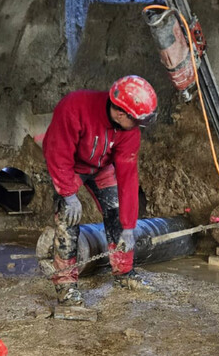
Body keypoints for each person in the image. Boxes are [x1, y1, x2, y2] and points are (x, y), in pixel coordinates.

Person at [43, 75, 158, 306]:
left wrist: (128, 227)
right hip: (70, 166)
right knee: (68, 218)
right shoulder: (74, 107)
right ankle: (66, 287)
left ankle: (124, 274)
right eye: (136, 120)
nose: (138, 126)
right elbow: (57, 152)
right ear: (120, 113)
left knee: (116, 210)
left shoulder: (129, 131)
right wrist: (68, 193)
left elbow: (127, 177)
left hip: (100, 166)